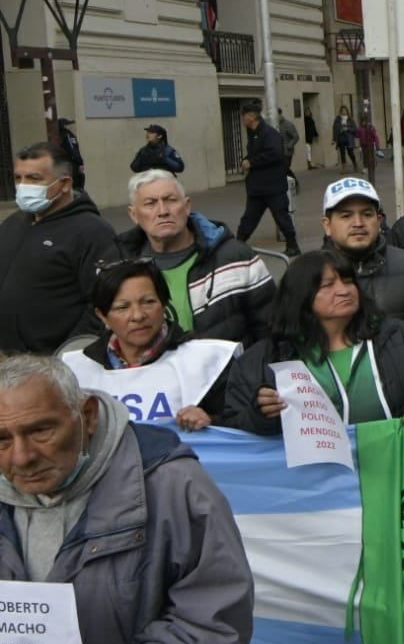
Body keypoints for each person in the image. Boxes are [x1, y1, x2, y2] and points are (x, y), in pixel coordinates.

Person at [221, 252, 404, 644]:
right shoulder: (264, 357)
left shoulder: (399, 339)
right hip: (315, 518)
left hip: (396, 499)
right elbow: (235, 426)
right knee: (336, 624)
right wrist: (260, 415)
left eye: (346, 279)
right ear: (301, 298)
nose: (342, 289)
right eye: (325, 285)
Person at [0, 355, 254, 644]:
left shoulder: (170, 484)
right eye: (1, 439)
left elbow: (217, 613)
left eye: (41, 431)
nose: (21, 457)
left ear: (87, 416)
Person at [63, 259, 239, 430]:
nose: (138, 316)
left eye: (148, 302)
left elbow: (244, 423)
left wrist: (212, 421)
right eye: (122, 307)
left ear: (164, 305)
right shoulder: (74, 371)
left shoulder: (208, 360)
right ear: (102, 316)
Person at [117, 169, 275, 344]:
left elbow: (272, 330)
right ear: (133, 214)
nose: (162, 211)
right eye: (150, 203)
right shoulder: (121, 266)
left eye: (170, 200)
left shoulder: (237, 257)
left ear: (186, 206)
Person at [0, 142, 118, 354]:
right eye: (18, 178)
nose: (23, 186)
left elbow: (103, 303)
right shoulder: (12, 224)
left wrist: (70, 353)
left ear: (64, 183)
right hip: (8, 362)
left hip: (51, 363)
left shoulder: (93, 232)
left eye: (34, 179)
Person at [320, 177, 404, 343]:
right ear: (327, 225)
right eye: (346, 216)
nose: (358, 223)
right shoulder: (306, 276)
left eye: (367, 214)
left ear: (379, 221)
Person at [237, 100, 300, 255]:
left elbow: (274, 154)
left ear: (251, 116)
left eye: (244, 116)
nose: (243, 119)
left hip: (273, 186)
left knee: (281, 216)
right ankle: (237, 245)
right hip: (257, 188)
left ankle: (292, 245)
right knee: (249, 218)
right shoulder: (253, 134)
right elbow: (256, 153)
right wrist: (246, 160)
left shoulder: (268, 133)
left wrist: (251, 162)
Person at [56, 117, 86, 189]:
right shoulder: (68, 135)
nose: (71, 126)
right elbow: (73, 149)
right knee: (76, 184)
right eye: (68, 124)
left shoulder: (59, 136)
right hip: (72, 164)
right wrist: (80, 162)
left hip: (64, 164)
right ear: (64, 126)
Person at [277, 109, 301, 186]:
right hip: (279, 151)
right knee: (284, 169)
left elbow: (296, 136)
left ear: (280, 114)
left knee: (285, 168)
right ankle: (290, 183)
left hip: (287, 152)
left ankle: (295, 182)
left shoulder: (288, 125)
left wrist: (290, 145)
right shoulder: (275, 125)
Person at [333, 105, 359, 175]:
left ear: (347, 111)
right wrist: (334, 139)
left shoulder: (350, 119)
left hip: (348, 138)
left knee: (350, 152)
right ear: (340, 111)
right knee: (342, 153)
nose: (344, 112)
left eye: (345, 110)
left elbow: (355, 129)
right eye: (342, 110)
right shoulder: (337, 119)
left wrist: (348, 129)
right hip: (341, 138)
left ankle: (355, 164)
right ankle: (343, 167)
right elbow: (335, 129)